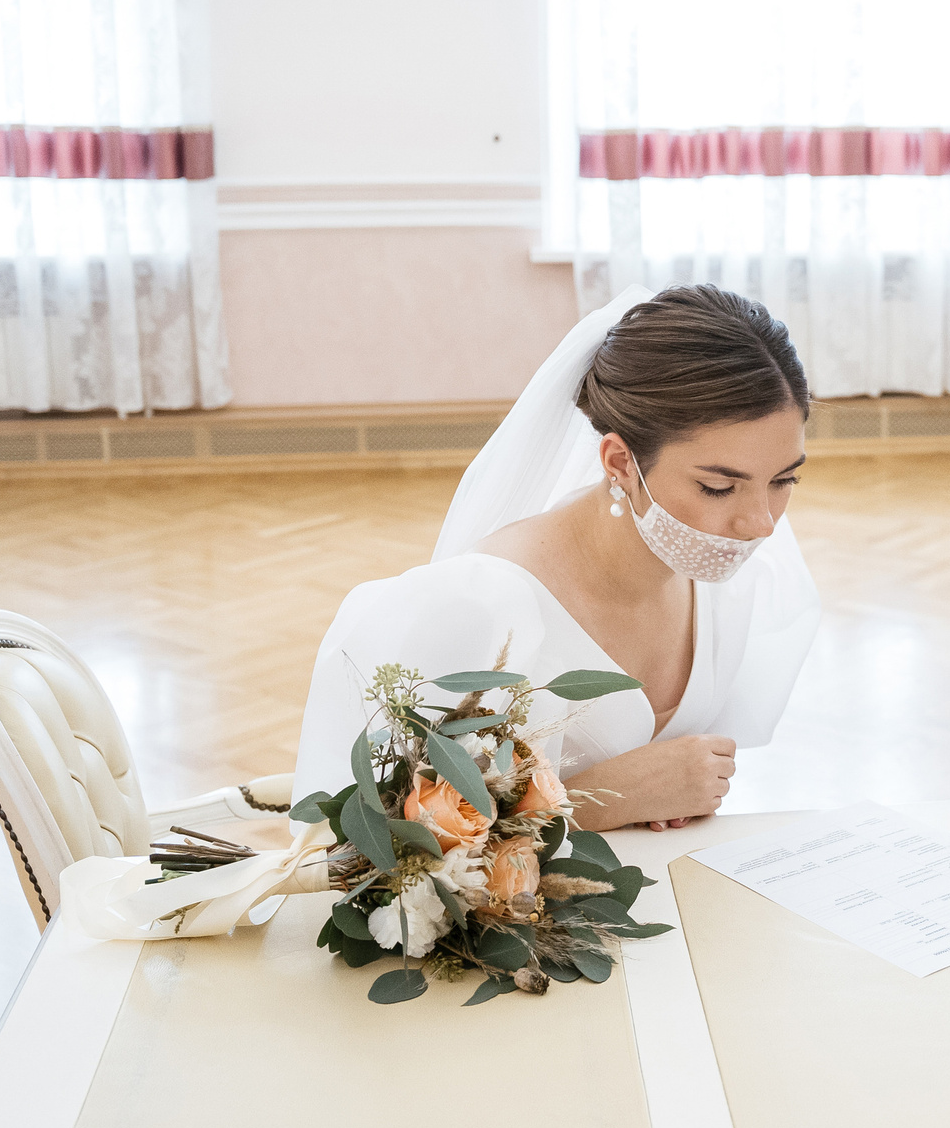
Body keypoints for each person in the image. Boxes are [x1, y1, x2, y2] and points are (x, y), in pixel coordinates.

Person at [294, 285, 820, 832]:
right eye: (718, 487)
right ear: (620, 462)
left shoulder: (724, 575)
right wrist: (604, 800)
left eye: (784, 480)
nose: (761, 523)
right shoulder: (476, 609)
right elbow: (364, 844)